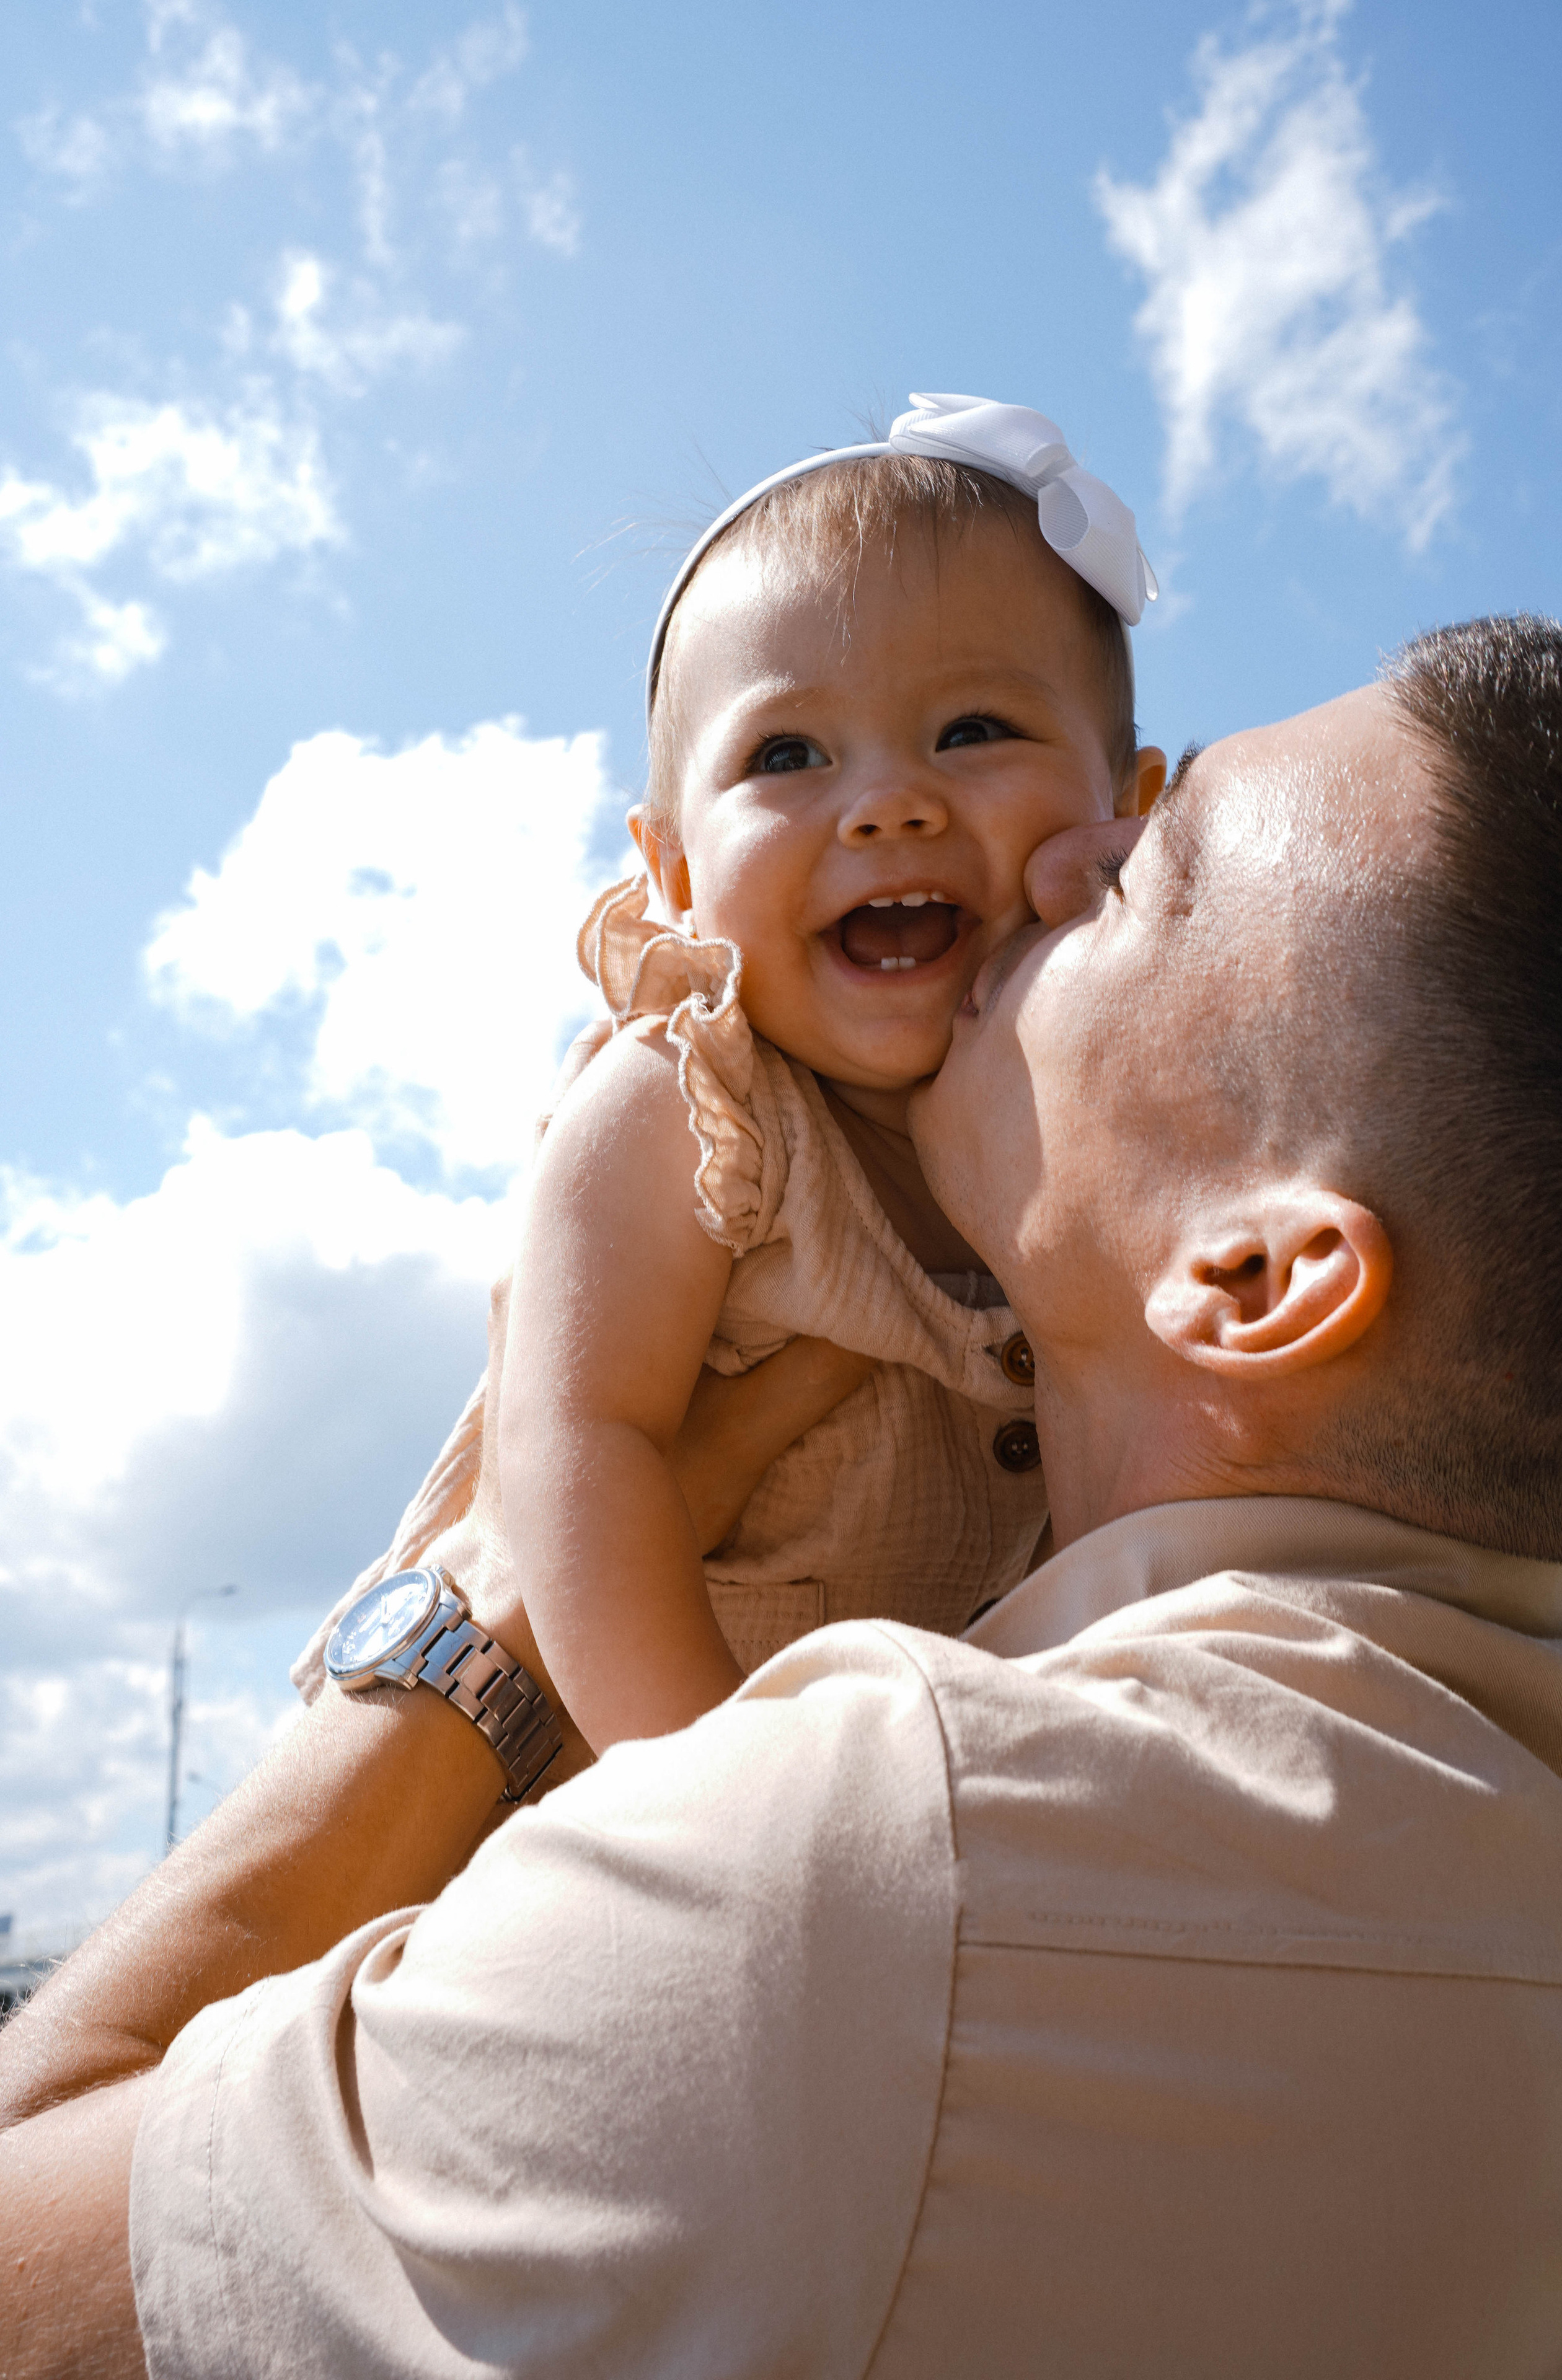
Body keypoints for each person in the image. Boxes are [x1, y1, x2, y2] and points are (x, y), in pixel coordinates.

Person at [4, 615, 1562, 2379]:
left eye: (1156, 875)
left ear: (1252, 1277)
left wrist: (491, 1601)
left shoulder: (886, 1867)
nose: (1060, 851)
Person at [293, 394, 1168, 1758]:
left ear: (1130, 812)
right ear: (674, 873)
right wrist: (693, 1803)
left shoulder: (1139, 1118)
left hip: (931, 1801)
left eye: (975, 728)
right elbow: (578, 1455)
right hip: (603, 1781)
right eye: (786, 755)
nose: (888, 802)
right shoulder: (693, 1102)